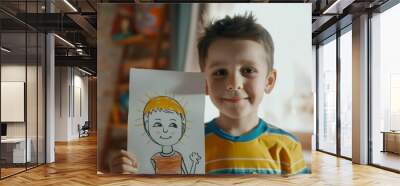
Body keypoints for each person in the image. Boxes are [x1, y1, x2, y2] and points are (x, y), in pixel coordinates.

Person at [108, 13, 310, 175]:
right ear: (205, 84)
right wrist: (129, 174)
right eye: (220, 72)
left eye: (248, 70)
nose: (233, 84)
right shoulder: (186, 144)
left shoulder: (287, 147)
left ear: (269, 81)